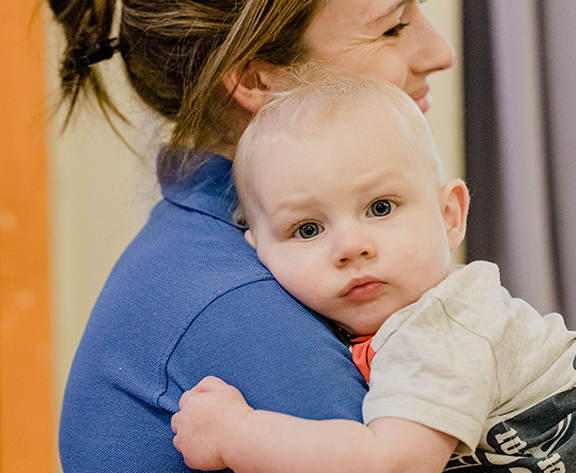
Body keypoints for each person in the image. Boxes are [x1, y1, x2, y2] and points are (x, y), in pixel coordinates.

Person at [171, 72, 576, 473]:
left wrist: (235, 434)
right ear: (256, 252)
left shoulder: (442, 325)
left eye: (380, 207)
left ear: (450, 216)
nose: (352, 246)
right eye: (307, 229)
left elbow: (393, 463)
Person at [48, 0, 455, 471]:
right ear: (257, 80)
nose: (440, 52)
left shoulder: (233, 255)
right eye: (393, 28)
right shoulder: (238, 302)